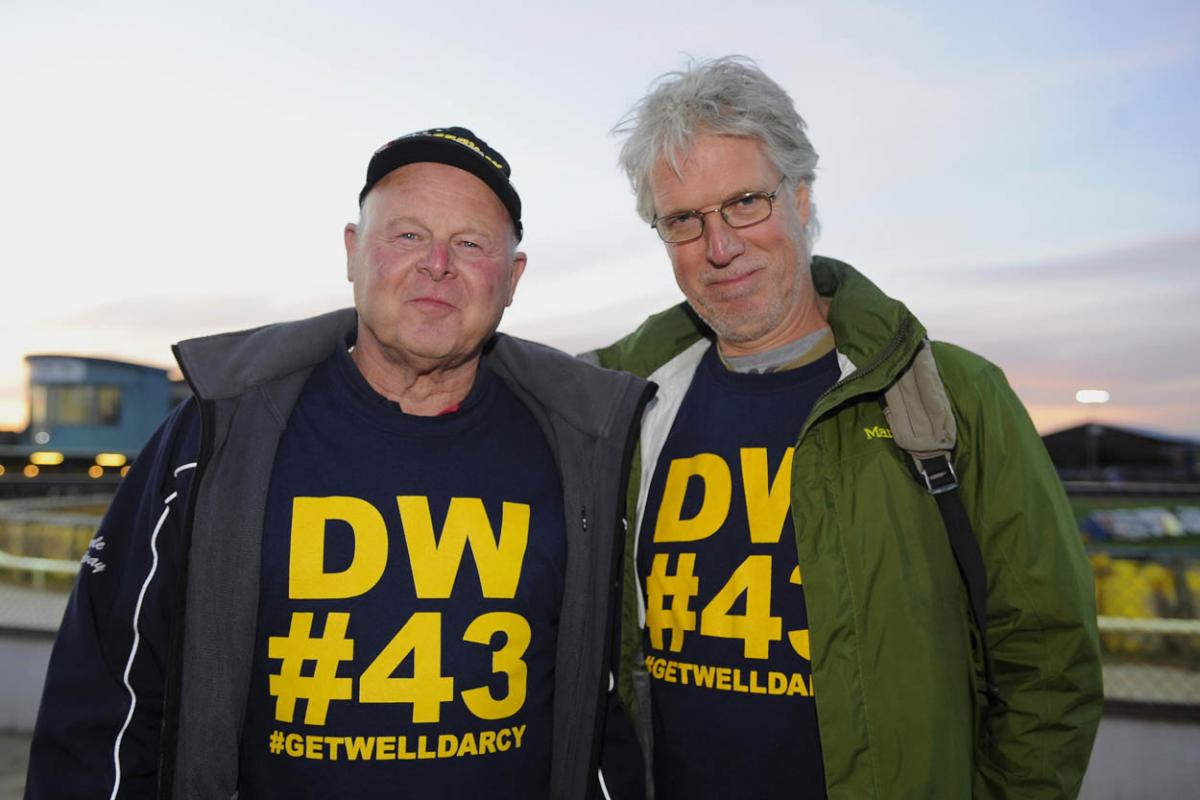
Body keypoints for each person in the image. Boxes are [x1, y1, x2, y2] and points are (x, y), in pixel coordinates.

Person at [27, 127, 650, 799]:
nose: (437, 263)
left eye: (470, 244)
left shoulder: (579, 447)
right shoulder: (219, 435)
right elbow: (107, 700)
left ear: (512, 278)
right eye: (407, 235)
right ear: (354, 254)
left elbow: (596, 705)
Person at [587, 58, 1102, 798]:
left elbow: (1048, 660)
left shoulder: (949, 395)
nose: (720, 245)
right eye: (683, 220)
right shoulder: (626, 407)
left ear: (800, 196)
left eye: (744, 202)